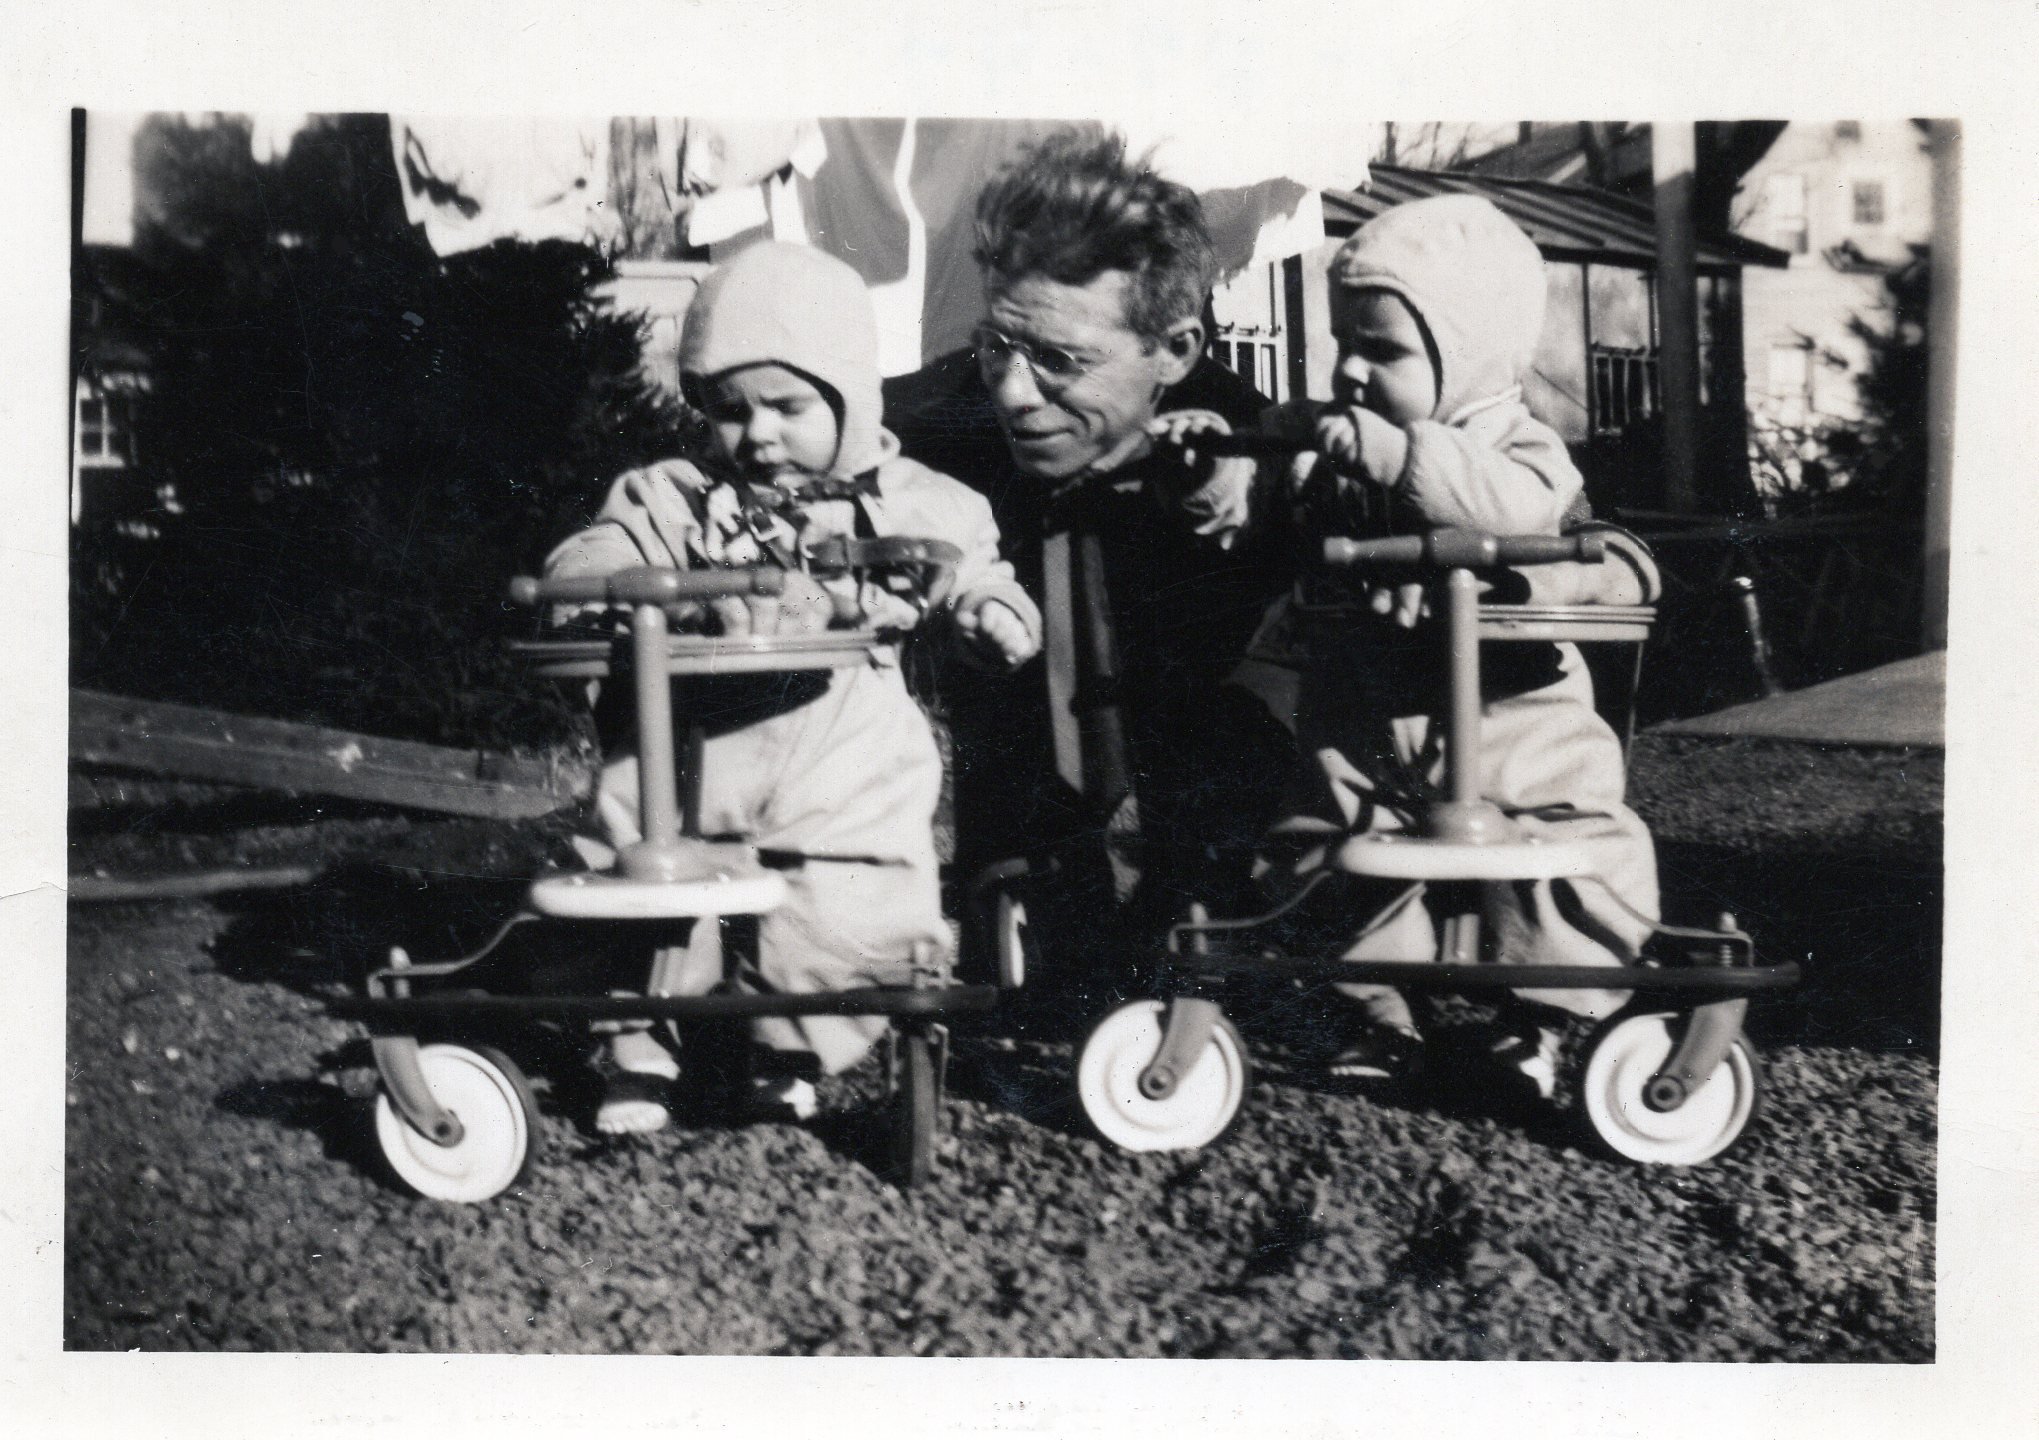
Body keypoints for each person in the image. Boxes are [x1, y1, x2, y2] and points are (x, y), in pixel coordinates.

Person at [1153, 194, 1661, 1099]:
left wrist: (1396, 456)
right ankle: (1376, 1011)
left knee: (1562, 853)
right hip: (1367, 716)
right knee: (1325, 844)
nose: (1348, 370)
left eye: (1382, 351)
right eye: (1341, 343)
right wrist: (1212, 468)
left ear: (1468, 355)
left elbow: (1514, 510)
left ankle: (1540, 1019)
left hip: (1514, 714)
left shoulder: (1520, 446)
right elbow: (1257, 511)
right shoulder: (1335, 444)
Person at [544, 242, 1040, 1130]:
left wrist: (991, 612)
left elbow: (973, 570)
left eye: (787, 405)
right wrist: (608, 589)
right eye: (730, 410)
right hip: (695, 740)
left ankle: (788, 1040)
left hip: (845, 743)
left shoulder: (917, 500)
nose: (759, 434)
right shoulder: (679, 496)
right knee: (641, 873)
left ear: (850, 396)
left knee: (849, 893)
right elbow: (599, 548)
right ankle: (638, 1044)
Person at [882, 131, 1294, 1011]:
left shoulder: (1261, 468)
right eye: (996, 346)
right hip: (1008, 919)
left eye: (1060, 361)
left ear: (1174, 350)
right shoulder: (928, 432)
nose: (1012, 392)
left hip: (1223, 930)